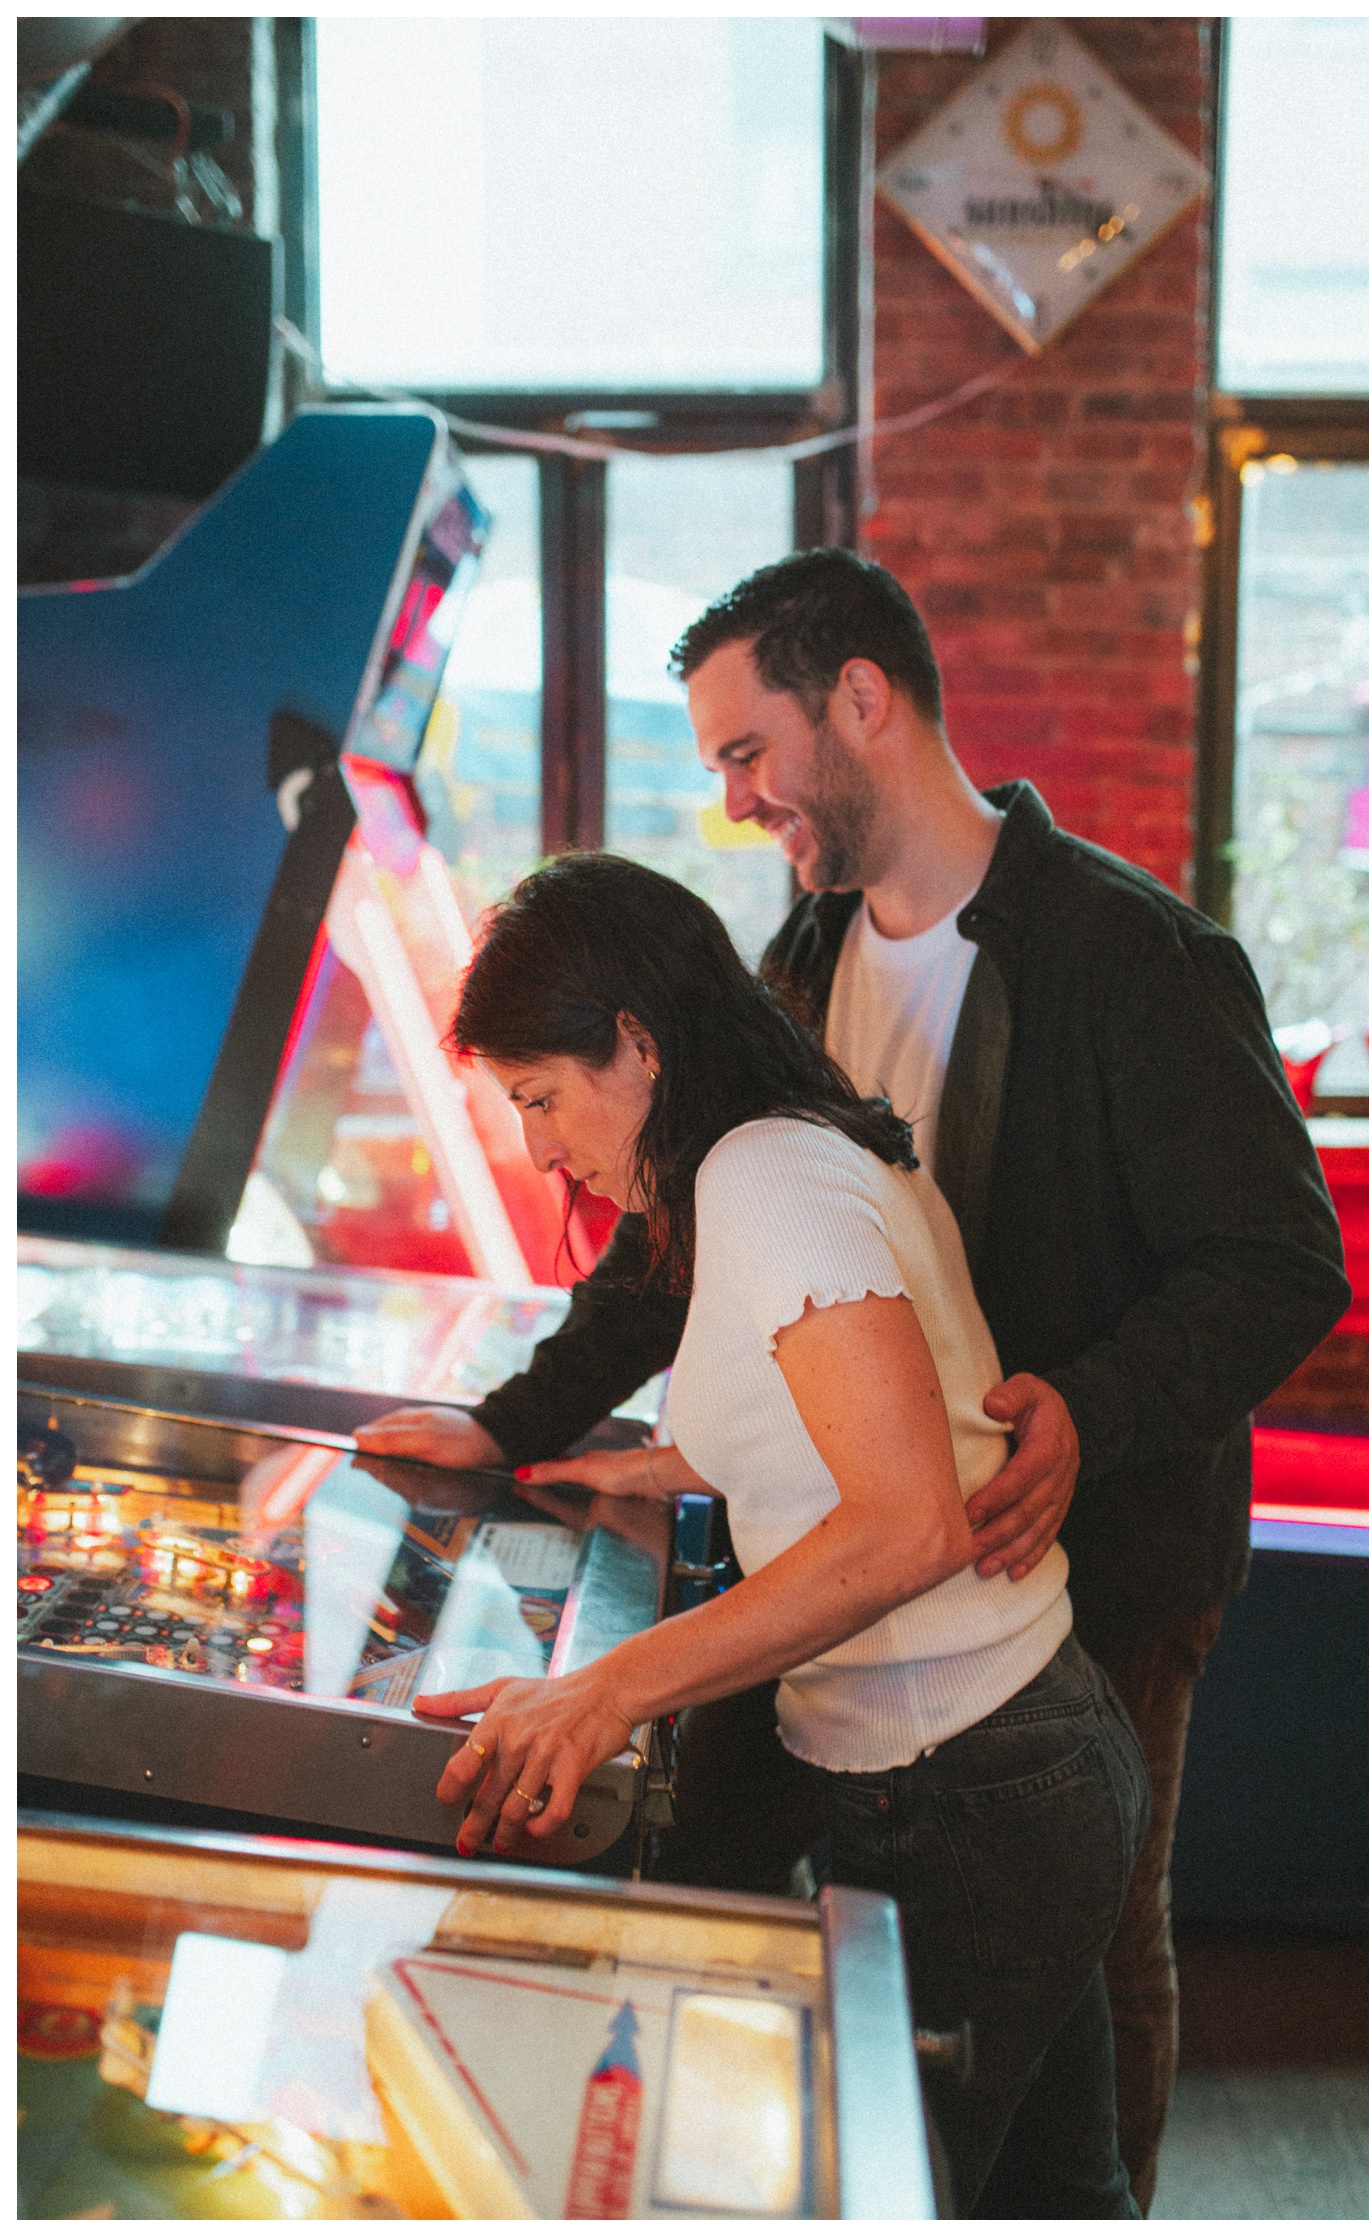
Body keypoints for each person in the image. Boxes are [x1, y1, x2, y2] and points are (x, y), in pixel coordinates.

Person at [358, 550, 1352, 2215]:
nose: (736, 798)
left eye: (749, 752)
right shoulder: (811, 955)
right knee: (1029, 2121)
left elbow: (1281, 1260)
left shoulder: (1129, 953)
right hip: (933, 1610)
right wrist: (525, 1423)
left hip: (1090, 1555)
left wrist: (1090, 1406)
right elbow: (679, 1228)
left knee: (1095, 1982)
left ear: (864, 702)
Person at [400, 851, 1149, 2217]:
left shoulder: (765, 1174)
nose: (540, 1144)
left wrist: (604, 1686)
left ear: (634, 1043)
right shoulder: (777, 1153)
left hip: (971, 1785)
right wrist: (667, 1461)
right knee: (1058, 2198)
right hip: (1010, 1761)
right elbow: (862, 1423)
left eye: (540, 1097)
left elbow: (910, 1518)